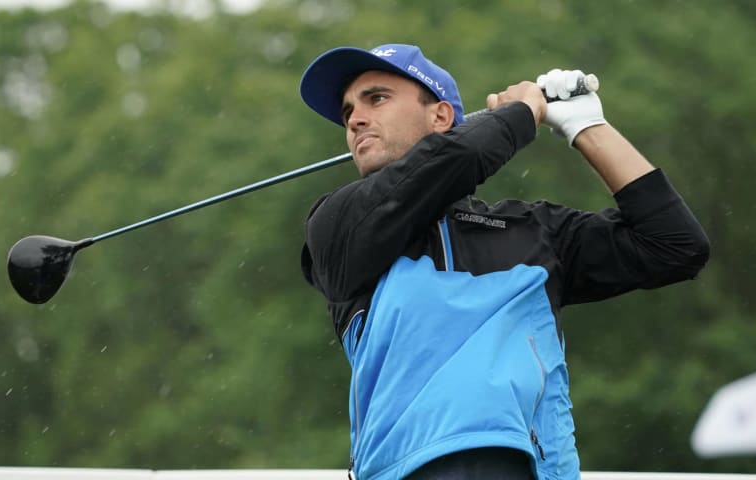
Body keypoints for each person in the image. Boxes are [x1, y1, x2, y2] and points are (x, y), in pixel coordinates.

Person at [298, 43, 710, 480]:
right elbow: (451, 161)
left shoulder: (535, 231)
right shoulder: (336, 226)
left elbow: (674, 244)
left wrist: (588, 126)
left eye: (376, 99)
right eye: (348, 113)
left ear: (440, 117)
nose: (356, 119)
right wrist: (517, 116)